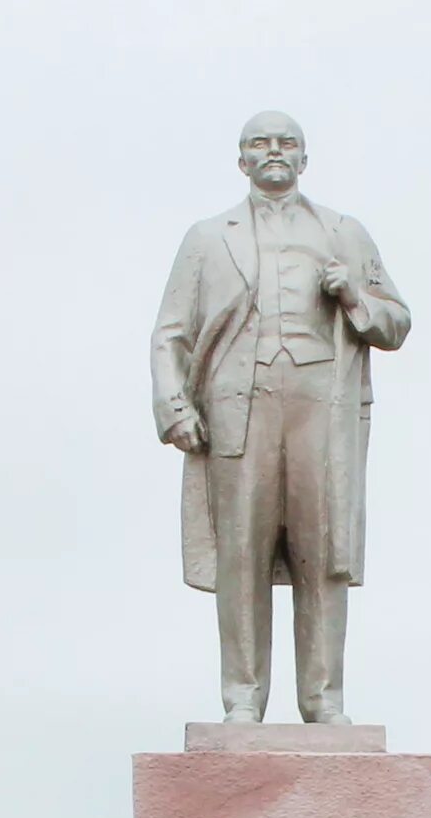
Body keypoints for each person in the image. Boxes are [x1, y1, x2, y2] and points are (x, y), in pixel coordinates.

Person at [151, 109, 411, 723]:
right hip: (239, 407)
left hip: (322, 405)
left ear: (304, 157)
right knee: (241, 550)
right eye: (260, 144)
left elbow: (396, 321)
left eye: (287, 142)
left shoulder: (345, 232)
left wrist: (353, 294)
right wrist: (175, 407)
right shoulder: (208, 238)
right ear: (241, 159)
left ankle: (324, 700)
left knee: (322, 552)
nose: (275, 151)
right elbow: (170, 333)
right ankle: (243, 699)